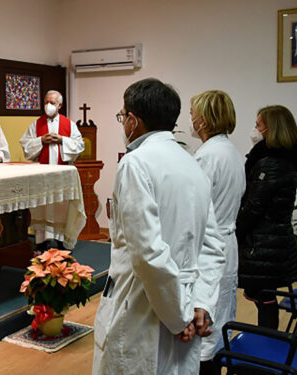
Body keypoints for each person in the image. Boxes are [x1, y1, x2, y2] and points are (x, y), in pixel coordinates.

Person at [92, 78, 225, 375]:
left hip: (144, 307)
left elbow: (148, 254)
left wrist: (177, 319)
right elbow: (213, 245)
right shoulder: (192, 163)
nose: (122, 122)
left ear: (133, 120)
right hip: (188, 304)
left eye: (122, 116)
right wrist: (201, 305)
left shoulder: (136, 163)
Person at [189, 90, 246, 374]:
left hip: (209, 247)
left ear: (205, 119)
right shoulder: (230, 151)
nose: (191, 118)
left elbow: (195, 209)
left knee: (204, 330)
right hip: (226, 244)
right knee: (219, 317)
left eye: (194, 113)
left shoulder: (207, 156)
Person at [236, 105, 297, 330]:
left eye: (258, 125)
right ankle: (268, 345)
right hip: (273, 241)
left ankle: (267, 348)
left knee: (264, 298)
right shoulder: (286, 158)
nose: (254, 130)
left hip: (264, 243)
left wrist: (234, 231)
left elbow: (254, 207)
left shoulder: (272, 163)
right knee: (264, 297)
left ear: (272, 129)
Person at [19, 90, 84, 250]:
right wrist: (41, 140)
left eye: (52, 103)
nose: (48, 106)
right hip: (42, 176)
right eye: (46, 102)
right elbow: (26, 144)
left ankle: (62, 240)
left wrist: (63, 140)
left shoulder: (69, 125)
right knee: (42, 207)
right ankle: (42, 241)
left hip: (62, 175)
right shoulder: (36, 124)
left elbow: (80, 145)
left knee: (61, 207)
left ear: (60, 105)